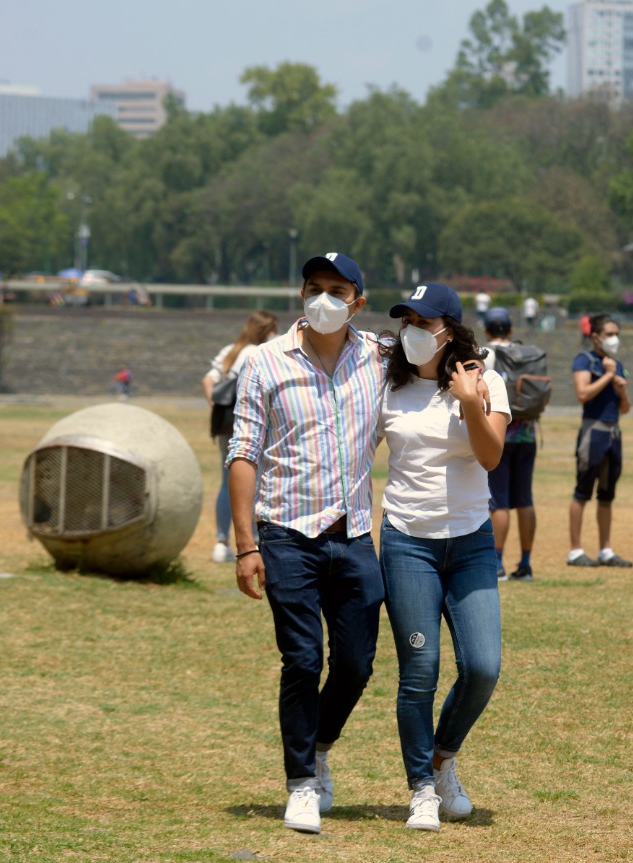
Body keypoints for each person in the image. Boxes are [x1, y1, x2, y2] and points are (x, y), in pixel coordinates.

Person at [227, 252, 387, 835]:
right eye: (314, 288)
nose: (323, 298)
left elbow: (438, 358)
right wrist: (247, 546)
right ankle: (300, 783)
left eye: (337, 289)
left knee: (356, 662)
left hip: (353, 534)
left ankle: (319, 746)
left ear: (358, 301)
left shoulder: (379, 357)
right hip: (286, 534)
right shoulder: (266, 362)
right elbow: (243, 452)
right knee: (301, 659)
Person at [377, 281, 509, 832]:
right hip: (408, 541)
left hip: (471, 542)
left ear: (450, 330)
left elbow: (491, 455)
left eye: (423, 323)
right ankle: (423, 790)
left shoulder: (488, 381)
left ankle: (442, 756)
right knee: (420, 671)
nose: (411, 332)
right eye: (405, 321)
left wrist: (469, 401)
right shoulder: (388, 387)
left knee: (482, 667)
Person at [202, 311, 279, 563]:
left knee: (227, 482)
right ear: (266, 331)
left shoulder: (231, 351)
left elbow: (208, 380)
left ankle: (221, 541)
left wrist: (216, 408)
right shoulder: (261, 352)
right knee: (255, 482)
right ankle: (255, 540)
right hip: (251, 426)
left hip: (226, 426)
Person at [568, 313, 632, 568]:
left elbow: (624, 408)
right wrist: (607, 376)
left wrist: (622, 392)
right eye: (609, 334)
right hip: (592, 431)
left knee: (607, 495)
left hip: (613, 432)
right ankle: (575, 550)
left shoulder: (617, 364)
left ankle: (606, 549)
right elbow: (582, 393)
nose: (614, 339)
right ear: (595, 337)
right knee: (582, 491)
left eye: (617, 334)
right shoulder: (585, 360)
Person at [481, 307, 539, 581]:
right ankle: (526, 563)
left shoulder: (485, 353)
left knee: (499, 500)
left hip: (501, 432)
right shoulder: (524, 353)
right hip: (527, 433)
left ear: (487, 329)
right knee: (525, 499)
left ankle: (497, 562)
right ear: (511, 330)